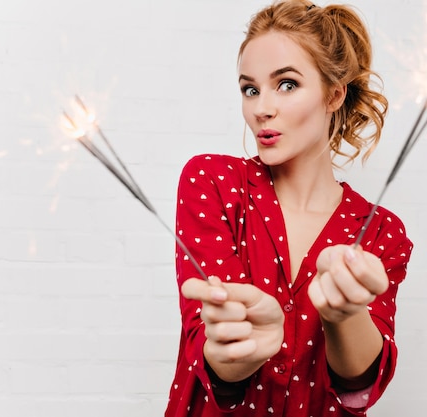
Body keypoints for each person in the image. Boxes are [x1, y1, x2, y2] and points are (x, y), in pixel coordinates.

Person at [165, 1, 413, 416]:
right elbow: (211, 359)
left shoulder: (380, 232)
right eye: (250, 88)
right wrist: (239, 350)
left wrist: (344, 314)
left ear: (334, 94)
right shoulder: (213, 183)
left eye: (287, 84)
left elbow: (361, 388)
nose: (262, 107)